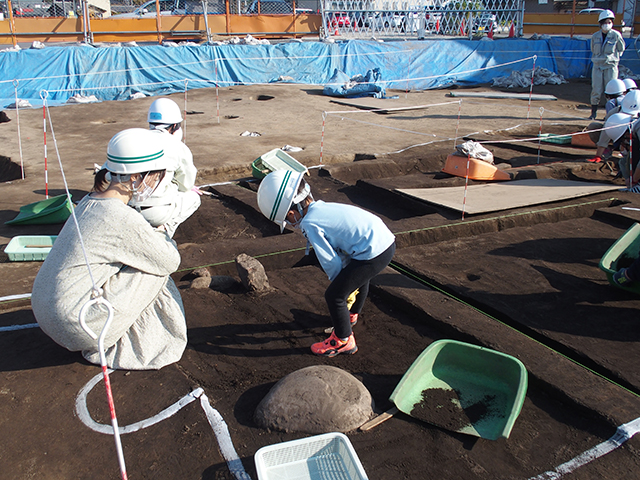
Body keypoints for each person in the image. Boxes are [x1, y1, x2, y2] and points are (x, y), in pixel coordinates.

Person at [31, 128, 188, 370]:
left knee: (140, 257)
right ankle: (149, 341)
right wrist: (165, 232)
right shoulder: (119, 216)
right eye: (156, 176)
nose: (156, 182)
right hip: (78, 324)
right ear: (137, 177)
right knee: (154, 267)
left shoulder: (89, 201)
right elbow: (170, 260)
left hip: (46, 313)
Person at [256, 170, 396, 357]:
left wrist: (341, 287)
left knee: (334, 296)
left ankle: (343, 340)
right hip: (383, 241)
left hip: (372, 252)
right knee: (358, 276)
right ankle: (351, 315)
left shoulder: (309, 224)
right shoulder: (321, 207)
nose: (291, 224)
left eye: (288, 220)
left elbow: (330, 260)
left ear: (291, 213)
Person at [130, 97, 201, 238]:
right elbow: (186, 185)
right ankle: (164, 232)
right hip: (156, 212)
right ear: (175, 125)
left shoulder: (134, 139)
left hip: (127, 207)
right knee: (193, 198)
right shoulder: (178, 146)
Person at [589, 9, 625, 120]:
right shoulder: (595, 36)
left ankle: (609, 114)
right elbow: (592, 49)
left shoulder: (616, 35)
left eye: (609, 22)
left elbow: (621, 48)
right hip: (598, 67)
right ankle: (593, 113)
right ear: (600, 24)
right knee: (596, 89)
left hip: (610, 66)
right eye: (604, 22)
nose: (607, 25)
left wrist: (613, 59)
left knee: (611, 90)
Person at [587, 89, 640, 163]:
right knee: (594, 127)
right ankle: (608, 150)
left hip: (635, 141)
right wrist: (598, 155)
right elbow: (605, 132)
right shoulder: (614, 112)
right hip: (621, 139)